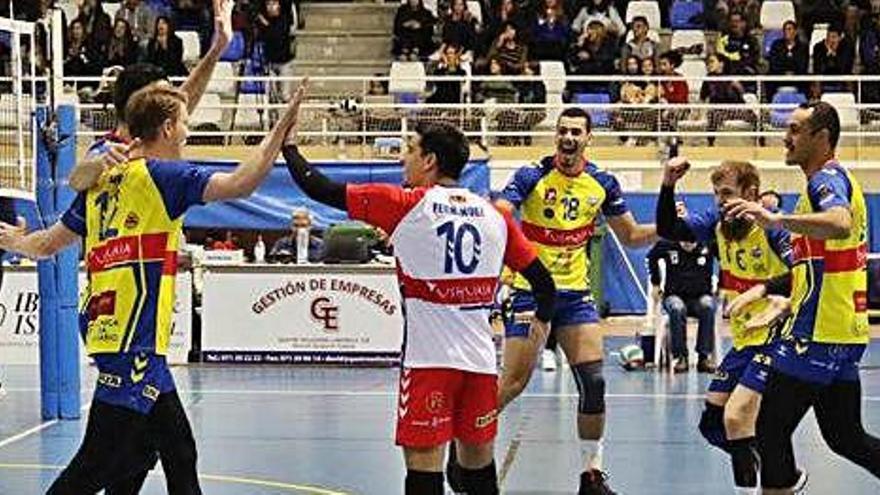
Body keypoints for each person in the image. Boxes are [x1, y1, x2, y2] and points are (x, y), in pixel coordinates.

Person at [0, 80, 307, 494]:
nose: (187, 131)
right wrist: (281, 126)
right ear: (165, 128)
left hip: (112, 329)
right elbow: (241, 183)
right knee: (95, 466)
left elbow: (48, 243)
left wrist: (15, 241)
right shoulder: (164, 176)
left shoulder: (102, 183)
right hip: (134, 338)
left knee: (176, 451)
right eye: (183, 123)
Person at [282, 121, 556, 495]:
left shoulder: (406, 204)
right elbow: (544, 282)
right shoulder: (496, 216)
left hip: (429, 363)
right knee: (479, 474)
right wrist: (541, 323)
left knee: (424, 475)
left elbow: (318, 187)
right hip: (479, 364)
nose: (402, 159)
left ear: (429, 160)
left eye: (409, 149)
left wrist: (290, 146)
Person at [492, 107, 657, 495]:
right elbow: (502, 213)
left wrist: (669, 229)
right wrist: (499, 215)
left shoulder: (601, 183)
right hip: (531, 292)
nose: (568, 138)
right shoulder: (532, 175)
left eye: (576, 132)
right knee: (513, 383)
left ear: (587, 138)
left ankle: (592, 475)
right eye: (562, 131)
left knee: (595, 384)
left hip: (575, 297)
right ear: (556, 137)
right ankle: (463, 445)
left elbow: (631, 235)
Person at [723, 101, 880, 494]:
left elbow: (840, 222)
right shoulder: (831, 182)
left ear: (822, 137)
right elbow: (814, 270)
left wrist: (776, 219)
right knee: (845, 437)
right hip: (844, 331)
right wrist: (778, 299)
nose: (785, 137)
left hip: (818, 334)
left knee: (771, 430)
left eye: (795, 130)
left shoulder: (825, 181)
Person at [657, 158, 799, 493]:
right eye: (716, 195)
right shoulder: (718, 223)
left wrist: (763, 290)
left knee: (736, 419)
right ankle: (775, 464)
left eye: (726, 193)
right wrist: (666, 185)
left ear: (750, 192)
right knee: (713, 424)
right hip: (745, 338)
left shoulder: (772, 228)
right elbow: (668, 230)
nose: (720, 201)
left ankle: (767, 474)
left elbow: (801, 273)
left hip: (778, 337)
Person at [68, 0, 235, 192]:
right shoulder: (111, 151)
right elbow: (77, 180)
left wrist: (217, 49)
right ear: (138, 106)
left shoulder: (158, 140)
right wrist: (99, 165)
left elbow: (183, 99)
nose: (171, 104)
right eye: (161, 98)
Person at [647, 235, 716, 373]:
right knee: (677, 308)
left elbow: (726, 260)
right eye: (684, 242)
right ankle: (680, 357)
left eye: (691, 243)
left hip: (700, 297)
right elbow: (651, 257)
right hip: (674, 295)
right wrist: (655, 283)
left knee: (708, 306)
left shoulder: (709, 244)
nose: (687, 246)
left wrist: (722, 286)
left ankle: (704, 357)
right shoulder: (667, 244)